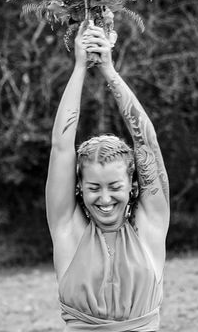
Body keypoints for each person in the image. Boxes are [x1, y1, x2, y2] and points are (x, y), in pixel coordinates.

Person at [46, 22, 170, 331]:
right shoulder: (68, 230)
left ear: (132, 185)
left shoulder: (150, 226)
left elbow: (147, 143)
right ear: (80, 188)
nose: (104, 198)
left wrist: (108, 70)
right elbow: (62, 147)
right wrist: (79, 67)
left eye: (114, 186)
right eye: (93, 188)